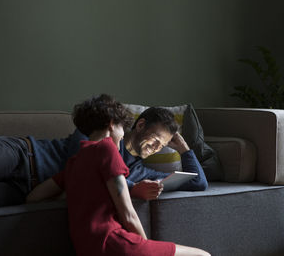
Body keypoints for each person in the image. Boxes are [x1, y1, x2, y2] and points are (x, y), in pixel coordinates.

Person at [29, 94, 211, 256]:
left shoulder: (74, 161)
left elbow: (34, 196)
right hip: (113, 242)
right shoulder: (108, 149)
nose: (157, 149)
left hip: (84, 247)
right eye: (156, 141)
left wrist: (185, 150)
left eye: (161, 147)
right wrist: (146, 246)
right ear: (111, 125)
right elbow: (129, 215)